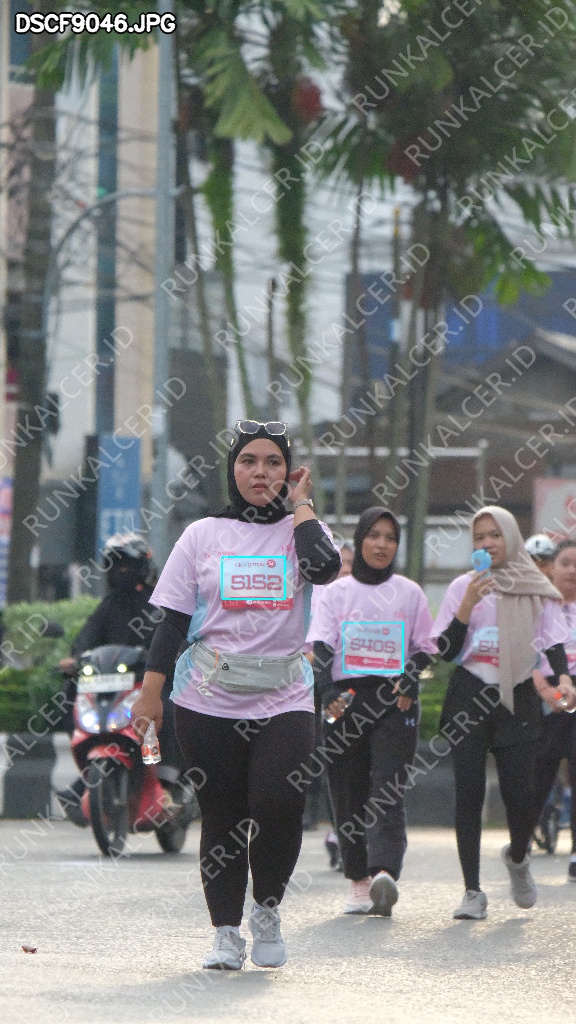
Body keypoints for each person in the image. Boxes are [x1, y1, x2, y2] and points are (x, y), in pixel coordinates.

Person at [131, 421, 340, 971]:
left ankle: (266, 911)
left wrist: (301, 506)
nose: (260, 473)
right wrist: (150, 695)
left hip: (284, 696)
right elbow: (171, 622)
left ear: (289, 472)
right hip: (208, 697)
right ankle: (226, 933)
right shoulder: (202, 535)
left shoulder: (304, 530)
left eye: (273, 463)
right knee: (222, 816)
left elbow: (324, 569)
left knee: (279, 802)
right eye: (249, 461)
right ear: (232, 469)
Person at [432, 506, 574, 921]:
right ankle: (472, 891)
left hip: (518, 696)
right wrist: (467, 604)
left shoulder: (535, 587)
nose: (488, 543)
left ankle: (518, 857)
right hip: (469, 694)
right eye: (479, 537)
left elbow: (552, 641)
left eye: (495, 535)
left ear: (510, 538)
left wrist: (564, 679)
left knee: (521, 796)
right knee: (469, 793)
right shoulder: (463, 586)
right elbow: (444, 651)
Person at [307, 508, 436, 916]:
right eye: (374, 535)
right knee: (347, 791)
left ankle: (384, 873)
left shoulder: (410, 593)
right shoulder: (336, 593)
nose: (382, 544)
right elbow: (321, 646)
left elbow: (426, 647)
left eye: (390, 538)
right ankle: (358, 881)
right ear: (361, 539)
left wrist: (411, 676)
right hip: (344, 699)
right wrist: (326, 689)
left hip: (395, 700)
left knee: (387, 788)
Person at [56, 533, 181, 825]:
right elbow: (86, 641)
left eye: (127, 565)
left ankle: (167, 780)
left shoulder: (159, 604)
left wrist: (170, 658)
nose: (121, 571)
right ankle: (87, 778)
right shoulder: (108, 606)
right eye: (115, 565)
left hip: (151, 686)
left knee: (164, 711)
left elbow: (173, 638)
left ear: (143, 567)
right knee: (68, 696)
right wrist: (75, 660)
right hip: (113, 688)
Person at [531, 539, 576, 879]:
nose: (572, 571)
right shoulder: (537, 607)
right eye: (565, 563)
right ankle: (522, 840)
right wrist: (547, 690)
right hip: (542, 693)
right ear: (551, 568)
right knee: (539, 769)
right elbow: (522, 653)